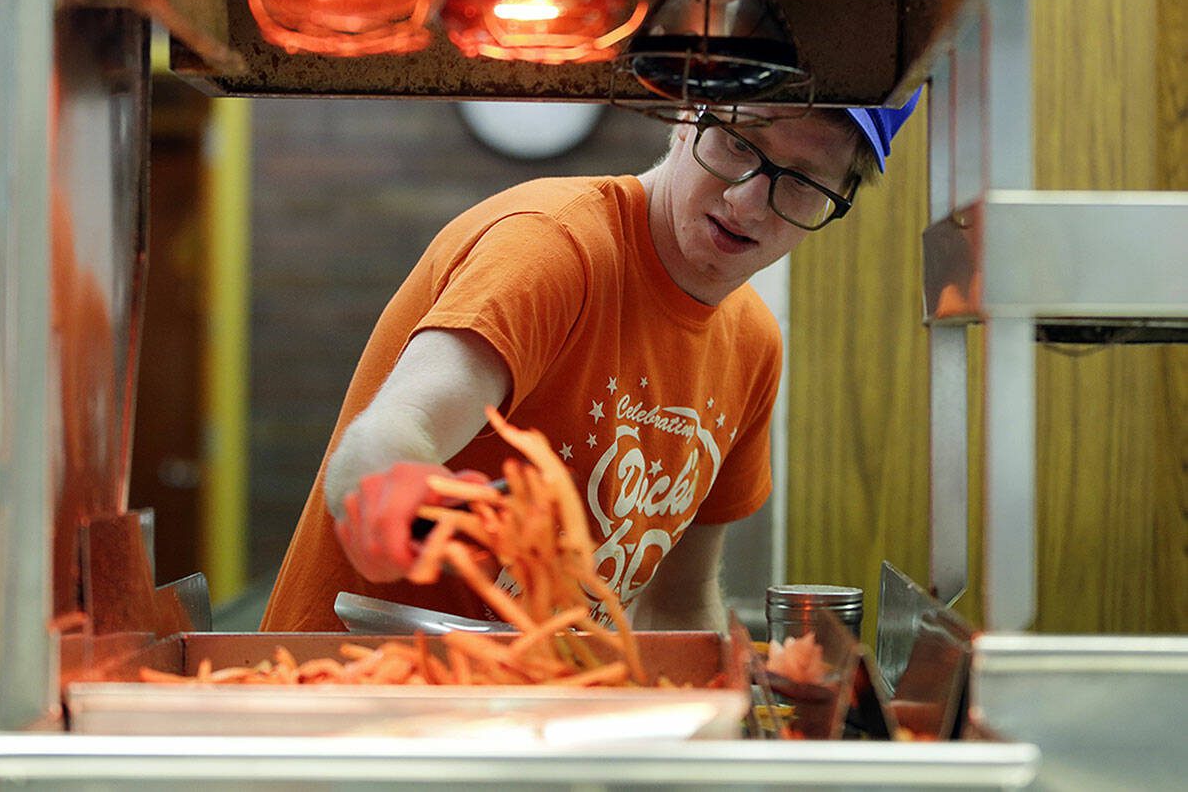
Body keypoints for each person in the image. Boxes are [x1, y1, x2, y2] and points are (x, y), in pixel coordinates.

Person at [261, 91, 921, 633]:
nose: (748, 200)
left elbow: (679, 606)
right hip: (351, 704)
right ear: (689, 113)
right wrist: (385, 493)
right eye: (740, 144)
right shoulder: (552, 249)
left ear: (837, 205)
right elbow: (395, 431)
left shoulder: (752, 344)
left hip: (532, 728)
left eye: (803, 183)